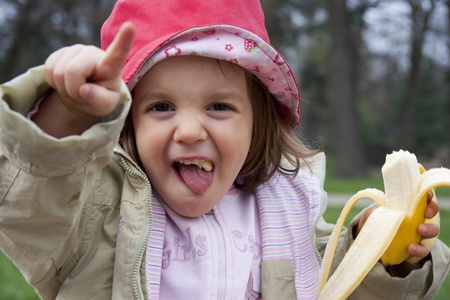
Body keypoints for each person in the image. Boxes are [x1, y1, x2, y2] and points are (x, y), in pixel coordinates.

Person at [0, 0, 448, 299]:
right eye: (160, 106)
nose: (190, 130)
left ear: (258, 123)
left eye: (219, 106)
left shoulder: (285, 211)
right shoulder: (97, 214)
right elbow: (33, 205)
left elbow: (340, 285)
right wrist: (67, 115)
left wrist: (384, 252)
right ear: (127, 126)